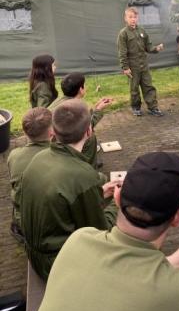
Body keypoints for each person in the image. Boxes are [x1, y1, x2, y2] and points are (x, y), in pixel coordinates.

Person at [33, 152, 179, 311]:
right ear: (178, 218)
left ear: (117, 199)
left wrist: (169, 264)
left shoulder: (78, 240)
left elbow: (116, 285)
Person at [20, 99, 118, 280]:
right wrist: (117, 205)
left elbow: (63, 201)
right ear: (89, 131)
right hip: (58, 265)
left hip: (36, 254)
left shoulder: (39, 158)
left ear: (54, 132)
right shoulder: (83, 175)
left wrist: (99, 194)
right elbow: (98, 233)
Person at [7, 108, 53, 242]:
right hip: (44, 224)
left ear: (24, 130)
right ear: (52, 132)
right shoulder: (58, 157)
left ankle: (18, 227)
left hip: (22, 217)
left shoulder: (14, 155)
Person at [49, 72, 113, 167]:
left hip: (55, 139)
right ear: (80, 89)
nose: (86, 87)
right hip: (60, 143)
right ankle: (89, 167)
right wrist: (99, 110)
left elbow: (80, 117)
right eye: (85, 85)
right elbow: (83, 127)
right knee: (90, 138)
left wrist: (96, 107)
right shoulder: (72, 106)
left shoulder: (63, 100)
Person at [117, 6, 164, 116]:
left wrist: (156, 49)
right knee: (134, 89)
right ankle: (136, 107)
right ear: (125, 18)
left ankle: (153, 107)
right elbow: (122, 52)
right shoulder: (123, 33)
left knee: (148, 86)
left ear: (137, 18)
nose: (133, 19)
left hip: (144, 64)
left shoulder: (142, 31)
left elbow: (148, 46)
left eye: (135, 17)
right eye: (130, 17)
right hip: (133, 66)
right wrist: (125, 67)